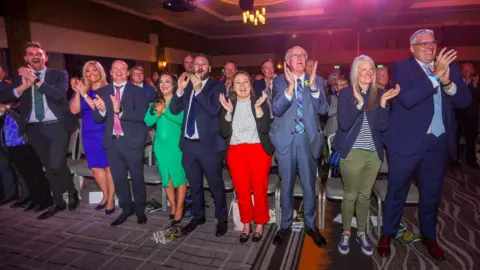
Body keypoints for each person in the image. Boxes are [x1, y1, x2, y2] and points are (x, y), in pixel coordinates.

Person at [378, 29, 471, 260]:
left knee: (431, 194)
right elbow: (408, 99)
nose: (430, 46)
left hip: (437, 143)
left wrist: (448, 80)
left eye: (433, 42)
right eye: (424, 43)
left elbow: (464, 101)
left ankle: (429, 236)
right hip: (406, 141)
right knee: (397, 190)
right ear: (412, 48)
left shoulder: (450, 68)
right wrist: (436, 77)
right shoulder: (402, 68)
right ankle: (387, 233)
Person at [0, 41, 79, 220]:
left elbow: (58, 95)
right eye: (31, 54)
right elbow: (6, 96)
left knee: (56, 164)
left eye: (39, 53)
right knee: (48, 167)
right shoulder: (20, 77)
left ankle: (72, 192)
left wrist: (35, 79)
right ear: (26, 58)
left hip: (57, 125)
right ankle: (58, 201)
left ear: (45, 57)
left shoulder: (59, 74)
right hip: (34, 128)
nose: (35, 56)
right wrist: (23, 86)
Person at [334, 55, 399, 256]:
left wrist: (384, 105)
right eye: (364, 69)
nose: (369, 73)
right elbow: (344, 124)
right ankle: (346, 232)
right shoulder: (345, 93)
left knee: (364, 196)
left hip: (373, 154)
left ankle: (361, 233)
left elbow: (381, 126)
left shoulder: (380, 93)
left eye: (371, 69)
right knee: (350, 195)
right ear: (356, 72)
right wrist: (359, 102)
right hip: (352, 153)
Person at [270, 46, 329, 247]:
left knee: (308, 185)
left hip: (307, 140)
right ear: (287, 61)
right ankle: (285, 225)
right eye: (295, 55)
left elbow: (324, 109)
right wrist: (289, 88)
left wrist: (313, 89)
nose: (301, 58)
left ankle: (311, 225)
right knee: (286, 186)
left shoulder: (317, 80)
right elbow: (276, 109)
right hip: (286, 140)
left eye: (303, 55)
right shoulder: (278, 81)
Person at [170, 55, 228, 237]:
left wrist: (198, 90)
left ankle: (222, 218)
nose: (200, 67)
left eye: (204, 64)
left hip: (209, 146)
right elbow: (174, 110)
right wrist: (179, 91)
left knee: (215, 185)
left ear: (209, 68)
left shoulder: (217, 86)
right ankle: (198, 216)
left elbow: (213, 110)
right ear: (192, 67)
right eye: (196, 64)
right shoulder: (186, 85)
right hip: (188, 145)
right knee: (194, 185)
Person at [92, 60, 149, 226]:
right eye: (115, 68)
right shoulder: (103, 91)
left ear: (128, 72)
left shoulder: (137, 91)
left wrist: (120, 110)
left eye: (122, 69)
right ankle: (126, 208)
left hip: (132, 141)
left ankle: (140, 209)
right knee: (119, 178)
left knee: (137, 177)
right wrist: (102, 109)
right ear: (110, 72)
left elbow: (141, 116)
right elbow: (97, 118)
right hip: (112, 142)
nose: (118, 71)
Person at [219, 71, 273, 243]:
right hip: (236, 153)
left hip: (258, 151)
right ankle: (246, 223)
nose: (242, 86)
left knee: (259, 190)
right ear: (233, 86)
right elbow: (224, 132)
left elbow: (264, 129)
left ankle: (259, 223)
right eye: (238, 83)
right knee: (241, 191)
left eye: (245, 82)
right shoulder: (229, 104)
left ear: (250, 84)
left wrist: (258, 110)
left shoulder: (259, 102)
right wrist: (228, 113)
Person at [70, 61, 115, 215]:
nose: (91, 73)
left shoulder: (108, 89)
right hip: (89, 132)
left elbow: (99, 109)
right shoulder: (84, 89)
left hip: (105, 130)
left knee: (109, 167)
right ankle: (105, 194)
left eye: (94, 70)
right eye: (87, 71)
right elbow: (74, 110)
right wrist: (78, 91)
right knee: (96, 168)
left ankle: (110, 199)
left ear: (101, 71)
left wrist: (84, 94)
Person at [144, 72, 187, 226]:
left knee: (179, 176)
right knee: (166, 177)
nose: (163, 84)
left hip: (176, 146)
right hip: (160, 147)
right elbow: (148, 121)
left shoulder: (180, 102)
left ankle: (180, 206)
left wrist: (165, 111)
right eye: (161, 82)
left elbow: (181, 121)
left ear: (174, 84)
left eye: (167, 81)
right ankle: (173, 204)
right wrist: (156, 110)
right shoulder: (154, 103)